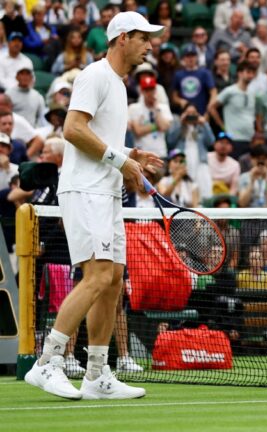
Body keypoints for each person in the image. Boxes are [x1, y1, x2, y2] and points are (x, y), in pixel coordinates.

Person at [25, 11, 165, 400]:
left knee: (113, 280)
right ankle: (47, 362)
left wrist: (129, 154)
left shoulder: (119, 85)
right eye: (143, 38)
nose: (150, 45)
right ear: (122, 38)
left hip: (106, 192)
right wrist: (122, 162)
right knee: (99, 275)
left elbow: (98, 140)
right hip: (85, 191)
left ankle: (97, 374)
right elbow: (72, 129)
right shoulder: (95, 75)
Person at [127, 75, 172, 158]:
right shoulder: (134, 108)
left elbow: (164, 127)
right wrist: (157, 126)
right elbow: (138, 131)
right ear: (142, 91)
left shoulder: (163, 107)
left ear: (155, 90)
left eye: (151, 89)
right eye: (146, 90)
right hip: (142, 155)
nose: (149, 93)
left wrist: (156, 109)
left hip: (160, 153)